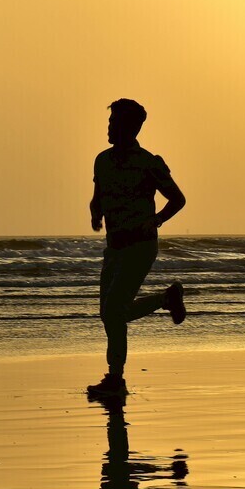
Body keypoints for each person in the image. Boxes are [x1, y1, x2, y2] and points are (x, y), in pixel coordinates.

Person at [87, 99, 187, 394]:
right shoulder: (102, 160)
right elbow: (97, 195)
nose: (109, 126)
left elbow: (178, 199)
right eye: (110, 121)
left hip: (140, 247)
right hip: (114, 248)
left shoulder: (148, 163)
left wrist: (156, 220)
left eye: (115, 122)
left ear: (131, 127)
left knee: (114, 311)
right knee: (110, 313)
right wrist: (96, 214)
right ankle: (166, 299)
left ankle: (115, 379)